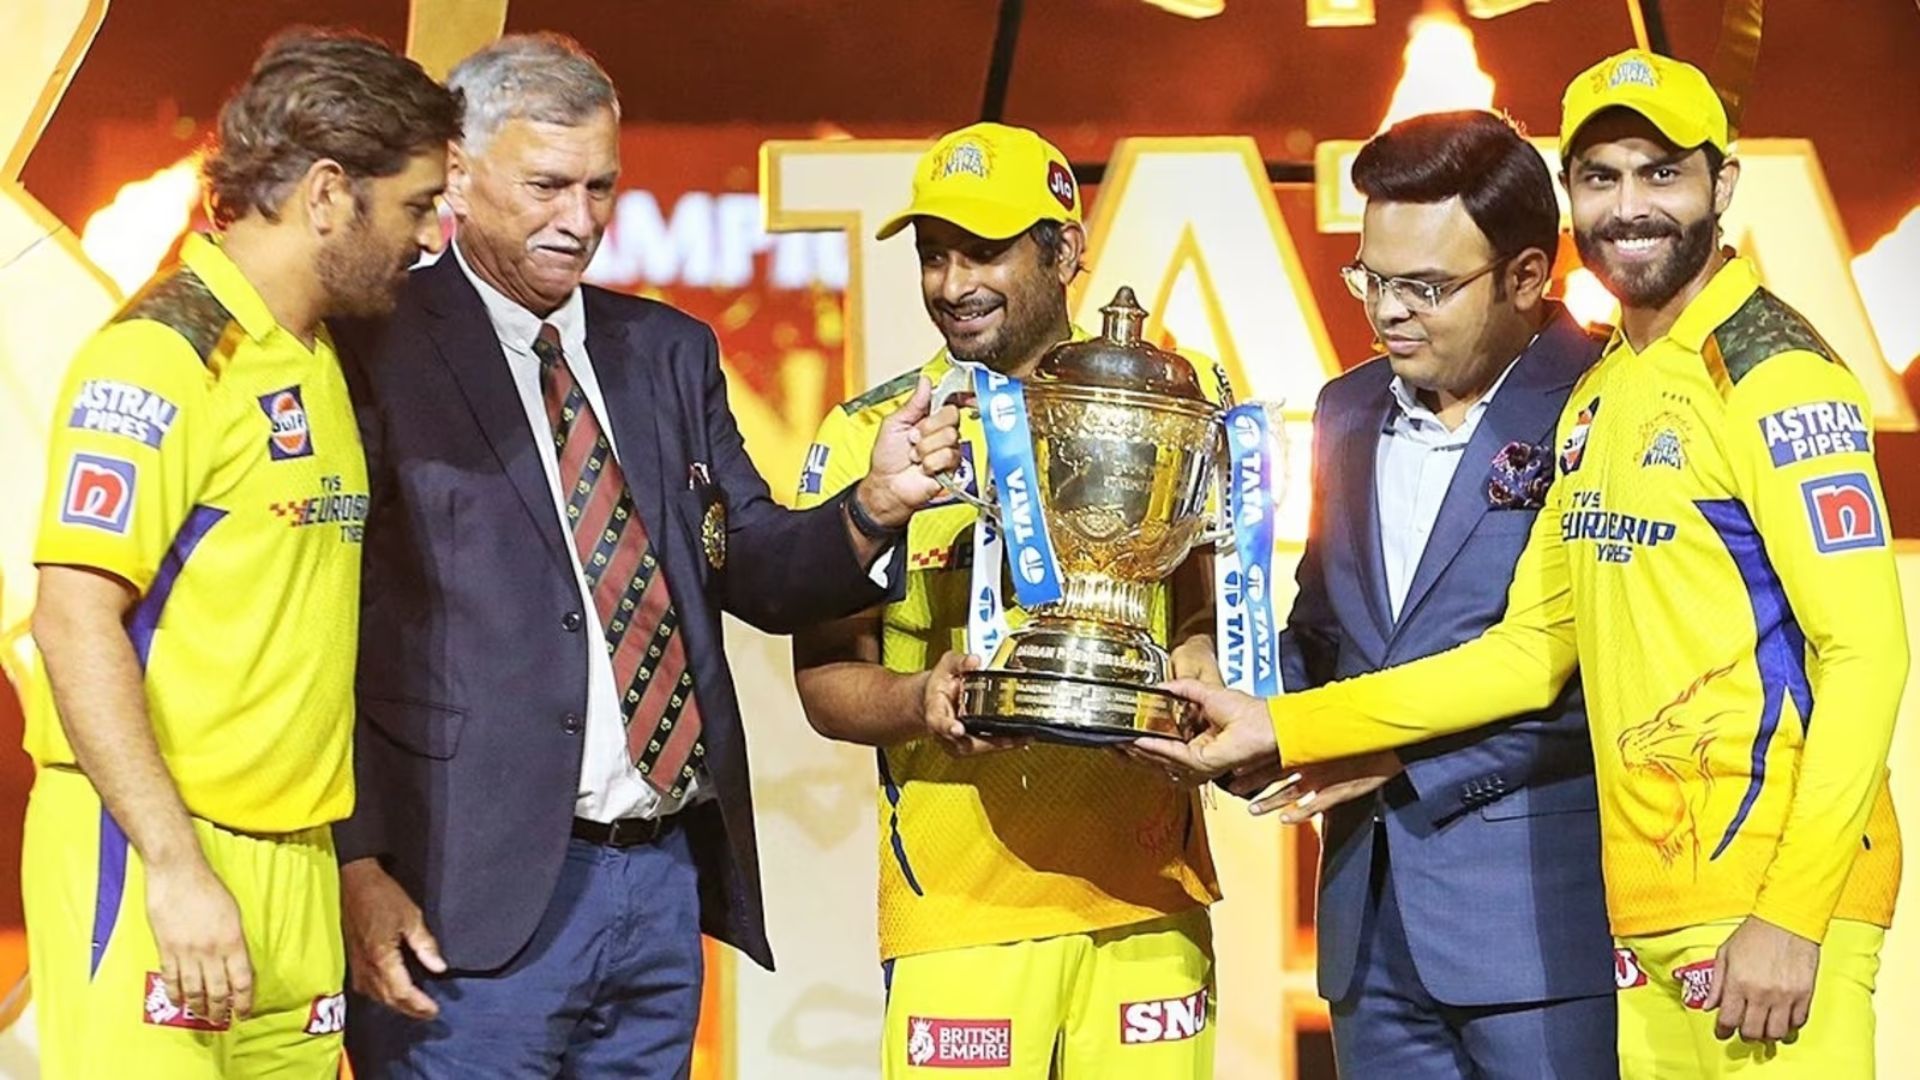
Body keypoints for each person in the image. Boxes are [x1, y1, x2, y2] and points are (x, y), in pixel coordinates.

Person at [1136, 49, 1905, 1077]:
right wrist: (1277, 721)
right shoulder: (1608, 395)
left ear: (1723, 184)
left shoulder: (1774, 372)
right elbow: (1531, 650)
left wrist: (1795, 915)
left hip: (1758, 911)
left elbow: (1866, 650)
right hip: (1652, 922)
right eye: (1600, 177)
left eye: (1661, 173)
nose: (1629, 207)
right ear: (1572, 198)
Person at [333, 34, 959, 1077]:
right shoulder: (378, 345)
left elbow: (753, 563)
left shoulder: (666, 351)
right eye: (545, 186)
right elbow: (327, 631)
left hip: (658, 887)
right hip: (459, 905)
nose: (579, 221)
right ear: (459, 174)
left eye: (600, 187)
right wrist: (354, 861)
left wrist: (874, 507)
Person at [21, 29, 458, 1079]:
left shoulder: (318, 359)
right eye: (415, 205)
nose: (431, 236)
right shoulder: (159, 357)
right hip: (151, 860)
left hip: (297, 871)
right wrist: (174, 867)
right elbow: (71, 616)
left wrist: (346, 864)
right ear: (325, 195)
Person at [792, 121, 1222, 1079]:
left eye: (984, 251)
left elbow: (1200, 612)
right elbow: (824, 678)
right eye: (933, 256)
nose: (953, 284)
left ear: (1064, 249)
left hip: (1149, 893)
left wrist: (1198, 656)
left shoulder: (1167, 413)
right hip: (959, 910)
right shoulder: (877, 435)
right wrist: (921, 700)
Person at [1227, 110, 1615, 1078]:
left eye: (1425, 286)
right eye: (1371, 277)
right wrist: (1236, 694)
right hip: (1366, 932)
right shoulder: (1344, 408)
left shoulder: (1614, 401)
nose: (1388, 310)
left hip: (1544, 929)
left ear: (1528, 275)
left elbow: (1631, 681)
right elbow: (1325, 624)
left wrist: (1391, 757)